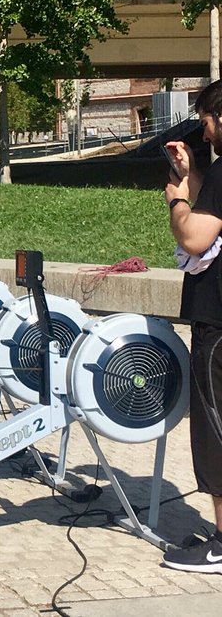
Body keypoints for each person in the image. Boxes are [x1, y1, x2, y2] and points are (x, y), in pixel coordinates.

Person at [163, 79, 222, 573]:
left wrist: (177, 200)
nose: (203, 132)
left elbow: (197, 235)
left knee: (217, 430)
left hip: (218, 325)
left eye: (206, 120)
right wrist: (193, 176)